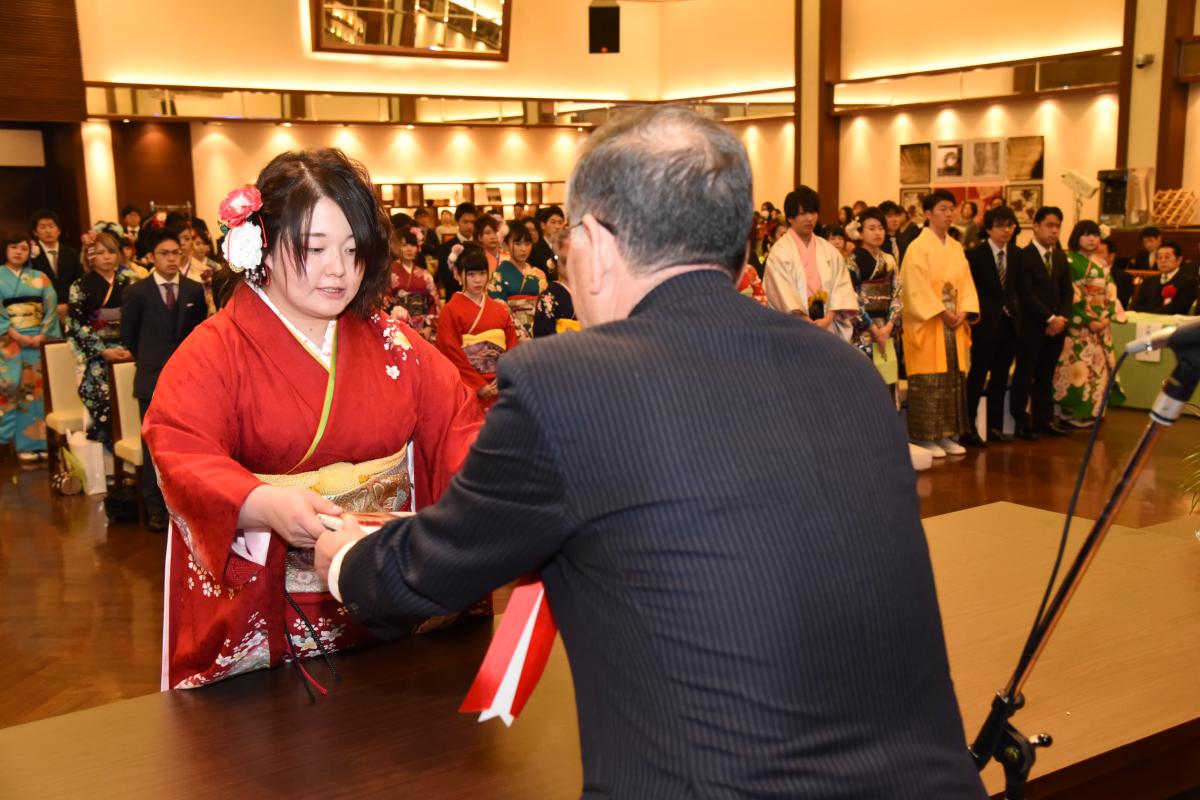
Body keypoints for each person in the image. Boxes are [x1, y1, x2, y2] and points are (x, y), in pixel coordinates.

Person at [313, 106, 986, 799]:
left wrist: (343, 559)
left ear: (597, 247)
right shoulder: (843, 370)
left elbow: (430, 571)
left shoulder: (567, 383)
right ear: (741, 252)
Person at [141, 149, 488, 690]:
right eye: (314, 248)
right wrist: (261, 503)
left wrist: (498, 497)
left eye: (353, 251)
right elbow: (180, 447)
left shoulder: (395, 345)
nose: (338, 270)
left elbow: (459, 427)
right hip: (273, 598)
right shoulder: (215, 351)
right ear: (263, 244)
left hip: (380, 589)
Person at [121, 226, 208, 531]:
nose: (171, 259)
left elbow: (199, 335)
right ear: (150, 257)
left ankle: (185, 505)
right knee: (153, 447)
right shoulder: (136, 292)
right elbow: (128, 337)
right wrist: (151, 360)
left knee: (187, 445)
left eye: (176, 253)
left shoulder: (194, 290)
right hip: (150, 379)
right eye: (164, 254)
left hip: (187, 381)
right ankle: (156, 509)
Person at [900, 189, 980, 458]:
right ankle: (925, 436)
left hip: (953, 322)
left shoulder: (956, 247)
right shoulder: (917, 248)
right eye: (943, 209)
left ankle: (947, 434)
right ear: (928, 213)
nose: (949, 214)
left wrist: (964, 310)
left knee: (952, 380)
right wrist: (941, 311)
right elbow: (914, 288)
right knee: (929, 381)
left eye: (951, 209)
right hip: (930, 323)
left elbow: (967, 282)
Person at [66, 232, 136, 448]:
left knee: (132, 399)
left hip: (128, 351)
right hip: (98, 354)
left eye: (112, 252)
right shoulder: (80, 285)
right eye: (101, 252)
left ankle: (130, 455)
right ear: (90, 257)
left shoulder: (130, 281)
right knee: (102, 398)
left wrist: (132, 346)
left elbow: (138, 317)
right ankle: (108, 463)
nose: (107, 257)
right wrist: (102, 350)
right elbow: (77, 323)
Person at [1053, 220, 1125, 426]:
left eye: (1095, 234)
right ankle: (1070, 413)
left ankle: (1094, 411)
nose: (1092, 239)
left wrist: (1105, 316)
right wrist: (1087, 319)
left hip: (1100, 324)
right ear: (1077, 237)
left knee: (1098, 368)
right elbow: (1070, 295)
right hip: (1079, 327)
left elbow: (1110, 291)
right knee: (1077, 367)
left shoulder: (1101, 262)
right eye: (1086, 234)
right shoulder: (1068, 261)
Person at [1010, 206, 1073, 440]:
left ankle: (1042, 419)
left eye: (1057, 226)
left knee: (1047, 375)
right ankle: (1020, 420)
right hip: (1032, 325)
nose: (1054, 231)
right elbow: (1025, 293)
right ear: (1035, 226)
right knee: (1025, 373)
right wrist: (1049, 318)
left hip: (1057, 326)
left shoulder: (1059, 256)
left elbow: (1068, 292)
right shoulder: (1023, 255)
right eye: (1049, 225)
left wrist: (1062, 318)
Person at [763, 185, 857, 339]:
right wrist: (804, 320)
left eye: (813, 212)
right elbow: (781, 293)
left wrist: (828, 318)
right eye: (802, 213)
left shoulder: (829, 250)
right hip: (794, 327)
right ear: (790, 218)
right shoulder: (780, 252)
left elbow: (841, 287)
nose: (810, 218)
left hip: (827, 323)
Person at [1, 230, 62, 462]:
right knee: (16, 390)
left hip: (38, 342)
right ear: (5, 249)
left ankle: (42, 442)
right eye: (14, 247)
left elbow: (51, 307)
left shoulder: (40, 277)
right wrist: (15, 334)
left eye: (24, 248)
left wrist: (43, 333)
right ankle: (20, 444)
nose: (19, 252)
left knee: (39, 393)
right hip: (9, 344)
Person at [436, 244, 518, 413]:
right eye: (471, 275)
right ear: (459, 275)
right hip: (468, 385)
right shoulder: (450, 310)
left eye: (482, 274)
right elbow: (450, 351)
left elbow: (512, 344)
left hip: (499, 383)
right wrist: (478, 385)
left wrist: (503, 376)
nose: (478, 280)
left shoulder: (499, 308)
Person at [964, 205, 1021, 446]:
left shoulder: (1017, 254)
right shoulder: (976, 255)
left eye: (1009, 225)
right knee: (978, 375)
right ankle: (969, 426)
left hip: (1010, 323)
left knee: (1000, 376)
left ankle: (996, 426)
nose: (1005, 230)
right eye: (999, 225)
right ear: (988, 229)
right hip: (984, 323)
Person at [849, 208, 902, 387]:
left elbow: (897, 293)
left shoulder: (890, 260)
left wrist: (888, 326)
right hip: (863, 328)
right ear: (861, 232)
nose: (877, 233)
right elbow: (851, 296)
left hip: (887, 328)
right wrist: (872, 328)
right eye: (871, 228)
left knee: (887, 380)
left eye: (880, 228)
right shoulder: (853, 260)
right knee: (865, 382)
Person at [487, 225, 547, 340]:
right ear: (506, 245)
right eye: (518, 244)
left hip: (539, 332)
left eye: (527, 244)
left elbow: (545, 307)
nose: (524, 249)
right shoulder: (497, 277)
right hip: (512, 334)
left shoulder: (539, 274)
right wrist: (521, 335)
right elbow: (500, 311)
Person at [383, 226, 440, 341]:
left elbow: (434, 302)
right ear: (397, 247)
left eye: (412, 245)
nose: (409, 249)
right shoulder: (389, 272)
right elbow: (385, 300)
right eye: (404, 245)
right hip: (398, 326)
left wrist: (429, 326)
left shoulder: (425, 274)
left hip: (423, 328)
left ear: (418, 248)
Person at [29, 209, 82, 321]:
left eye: (51, 226)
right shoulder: (30, 256)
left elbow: (79, 282)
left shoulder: (72, 254)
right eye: (42, 227)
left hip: (70, 311)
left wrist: (68, 306)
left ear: (59, 230)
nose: (48, 230)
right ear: (35, 232)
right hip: (42, 314)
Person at [533, 229, 579, 337]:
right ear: (555, 261)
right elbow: (543, 340)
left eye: (576, 258)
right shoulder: (548, 298)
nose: (571, 264)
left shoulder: (589, 291)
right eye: (565, 260)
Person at [1131, 242, 1198, 315]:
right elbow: (1137, 305)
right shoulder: (1149, 281)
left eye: (1167, 257)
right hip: (1145, 321)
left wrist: (1152, 315)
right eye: (1159, 257)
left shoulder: (1188, 282)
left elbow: (1180, 307)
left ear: (1179, 260)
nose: (1162, 261)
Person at [436, 202, 476, 299]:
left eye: (472, 222)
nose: (469, 226)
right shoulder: (446, 247)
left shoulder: (479, 246)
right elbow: (445, 278)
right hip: (454, 297)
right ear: (457, 222)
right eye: (465, 222)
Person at [529, 205, 564, 280]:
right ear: (543, 225)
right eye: (553, 222)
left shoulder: (565, 248)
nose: (557, 226)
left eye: (560, 223)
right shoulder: (535, 250)